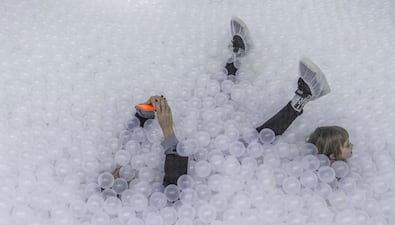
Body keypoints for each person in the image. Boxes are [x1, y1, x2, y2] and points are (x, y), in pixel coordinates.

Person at [116, 17, 353, 187]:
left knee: (218, 97)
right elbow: (174, 188)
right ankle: (302, 98)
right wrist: (168, 130)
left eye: (112, 173)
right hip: (212, 168)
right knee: (255, 140)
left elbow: (134, 125)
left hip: (198, 140)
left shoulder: (123, 158)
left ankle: (236, 56)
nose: (113, 172)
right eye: (114, 178)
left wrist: (148, 107)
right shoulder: (140, 200)